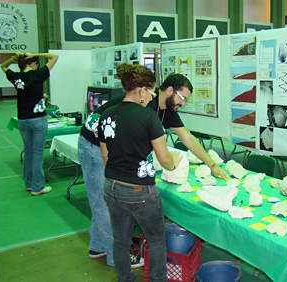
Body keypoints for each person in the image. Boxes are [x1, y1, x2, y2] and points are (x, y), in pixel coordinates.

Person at [99, 63, 182, 282]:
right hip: (140, 190)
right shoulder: (148, 117)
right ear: (142, 90)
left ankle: (125, 278)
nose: (152, 97)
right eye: (152, 92)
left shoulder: (107, 113)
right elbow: (164, 159)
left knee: (121, 240)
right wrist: (174, 163)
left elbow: (106, 156)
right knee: (156, 240)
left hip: (112, 186)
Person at [146, 73, 230, 180]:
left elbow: (187, 138)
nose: (183, 103)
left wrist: (213, 166)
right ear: (170, 90)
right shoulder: (147, 103)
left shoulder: (168, 108)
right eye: (182, 98)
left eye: (185, 100)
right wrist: (171, 165)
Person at [1, 52, 58, 196]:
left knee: (29, 151)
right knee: (38, 153)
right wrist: (36, 53)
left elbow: (3, 65)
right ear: (33, 63)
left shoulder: (16, 77)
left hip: (23, 120)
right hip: (38, 120)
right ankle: (37, 187)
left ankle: (29, 183)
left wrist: (14, 58)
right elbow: (55, 57)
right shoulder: (38, 75)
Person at [78, 93, 124, 267]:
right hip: (93, 148)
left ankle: (97, 246)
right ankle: (117, 257)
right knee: (102, 202)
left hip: (99, 148)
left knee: (100, 202)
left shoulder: (140, 102)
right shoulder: (121, 106)